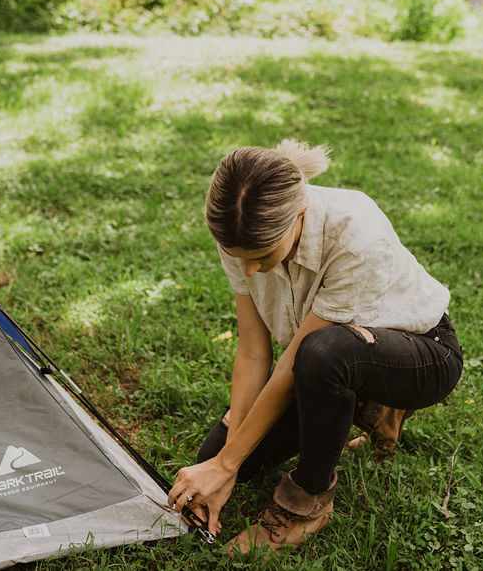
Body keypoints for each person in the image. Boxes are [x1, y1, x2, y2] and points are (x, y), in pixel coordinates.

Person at [168, 140, 463, 555]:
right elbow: (254, 351)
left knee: (325, 355)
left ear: (299, 215)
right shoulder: (239, 226)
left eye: (262, 257)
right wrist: (226, 459)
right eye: (241, 259)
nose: (249, 270)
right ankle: (363, 409)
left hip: (421, 355)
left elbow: (293, 363)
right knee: (222, 454)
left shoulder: (355, 231)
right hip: (323, 360)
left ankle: (308, 501)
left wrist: (225, 466)